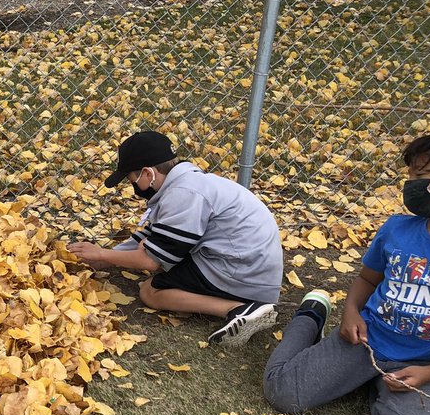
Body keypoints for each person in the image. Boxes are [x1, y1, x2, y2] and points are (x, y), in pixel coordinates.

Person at [263, 134, 430, 415]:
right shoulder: (397, 229)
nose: (411, 186)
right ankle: (310, 316)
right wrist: (351, 312)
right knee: (282, 392)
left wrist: (428, 373)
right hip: (367, 339)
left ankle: (370, 381)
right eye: (410, 176)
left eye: (422, 178)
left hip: (425, 363)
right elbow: (368, 280)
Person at [68, 131, 283, 345]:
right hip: (250, 265)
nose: (133, 188)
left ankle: (239, 309)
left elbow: (150, 261)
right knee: (152, 251)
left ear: (147, 173)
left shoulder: (183, 193)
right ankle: (243, 302)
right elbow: (155, 237)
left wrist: (102, 254)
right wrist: (106, 258)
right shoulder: (185, 184)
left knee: (150, 291)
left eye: (132, 179)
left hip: (245, 273)